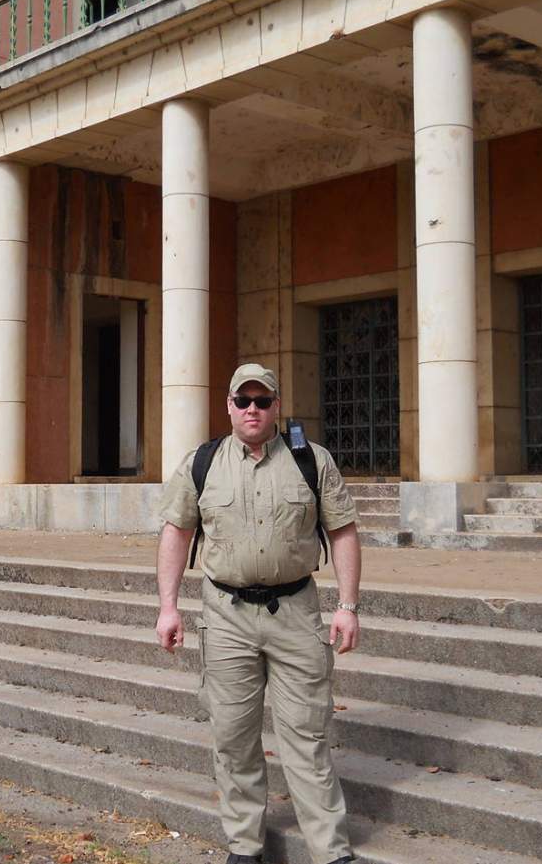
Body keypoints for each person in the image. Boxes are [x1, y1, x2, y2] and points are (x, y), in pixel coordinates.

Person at [155, 363, 361, 864]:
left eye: (262, 401)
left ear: (276, 406)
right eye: (243, 401)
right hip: (225, 616)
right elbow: (176, 534)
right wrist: (167, 607)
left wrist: (348, 606)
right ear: (228, 406)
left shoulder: (312, 460)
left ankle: (330, 851)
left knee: (307, 737)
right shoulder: (201, 463)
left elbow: (343, 532)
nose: (252, 409)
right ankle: (245, 847)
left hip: (295, 612)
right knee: (233, 736)